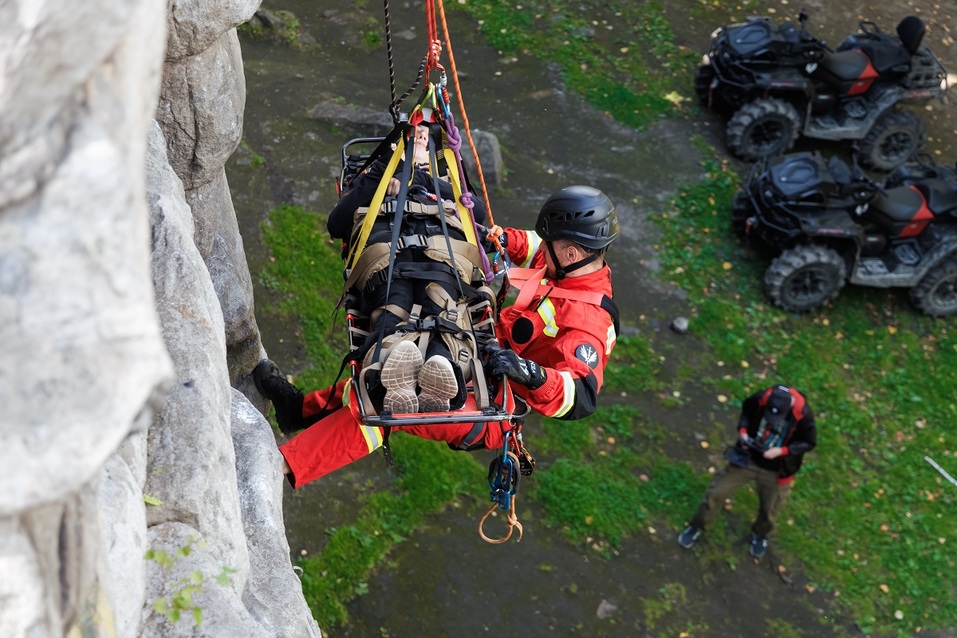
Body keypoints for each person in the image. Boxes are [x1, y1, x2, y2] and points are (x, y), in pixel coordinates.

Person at [253, 185, 621, 488]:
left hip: (492, 408)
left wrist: (531, 373)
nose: (545, 247)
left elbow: (581, 397)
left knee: (385, 404)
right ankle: (298, 410)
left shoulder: (588, 320)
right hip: (476, 346)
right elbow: (532, 246)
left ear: (572, 251)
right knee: (389, 358)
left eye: (552, 242)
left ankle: (281, 467)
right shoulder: (567, 260)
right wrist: (501, 239)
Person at [677, 385, 816, 558]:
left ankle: (760, 534)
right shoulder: (760, 398)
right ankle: (697, 525)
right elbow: (747, 413)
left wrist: (781, 452)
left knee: (770, 509)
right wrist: (743, 432)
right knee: (716, 492)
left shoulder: (803, 415)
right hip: (748, 459)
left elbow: (808, 443)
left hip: (776, 470)